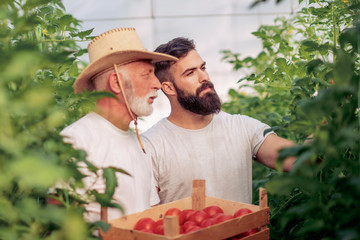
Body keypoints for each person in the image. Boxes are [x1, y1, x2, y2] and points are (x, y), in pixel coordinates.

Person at [141, 37, 297, 205]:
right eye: (190, 73)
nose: (204, 77)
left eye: (203, 68)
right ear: (168, 88)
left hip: (245, 231)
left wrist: (325, 123)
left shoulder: (242, 127)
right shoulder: (151, 145)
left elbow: (301, 160)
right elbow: (151, 219)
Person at [59, 28, 177, 222]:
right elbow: (60, 223)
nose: (157, 83)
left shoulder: (140, 144)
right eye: (147, 75)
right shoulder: (75, 141)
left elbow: (148, 216)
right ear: (116, 83)